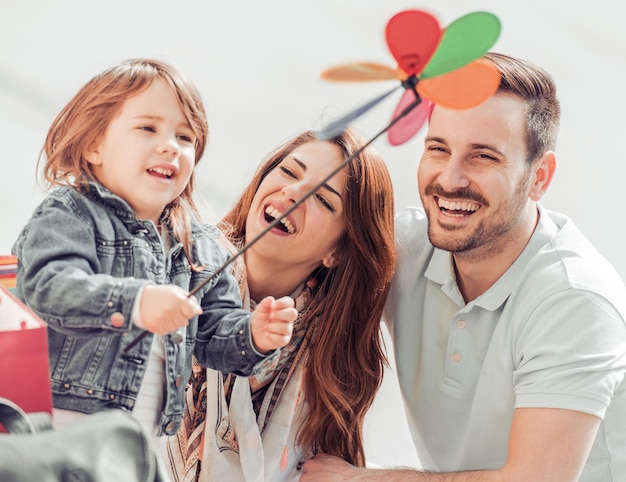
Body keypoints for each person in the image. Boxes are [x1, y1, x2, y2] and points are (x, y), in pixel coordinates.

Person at [301, 52, 626, 481]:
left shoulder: (576, 300)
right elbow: (280, 279)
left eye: (483, 157)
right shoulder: (403, 247)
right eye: (438, 149)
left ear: (540, 177)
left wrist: (362, 479)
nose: (450, 179)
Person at [11, 58, 297, 447]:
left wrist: (254, 334)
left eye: (185, 138)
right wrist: (137, 303)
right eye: (148, 128)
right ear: (94, 145)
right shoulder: (71, 212)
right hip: (55, 430)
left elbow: (214, 332)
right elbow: (50, 288)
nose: (170, 146)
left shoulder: (201, 246)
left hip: (141, 445)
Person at [163, 128, 396, 481]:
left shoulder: (330, 366)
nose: (293, 193)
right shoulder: (173, 264)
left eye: (323, 199)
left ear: (338, 251)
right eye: (289, 172)